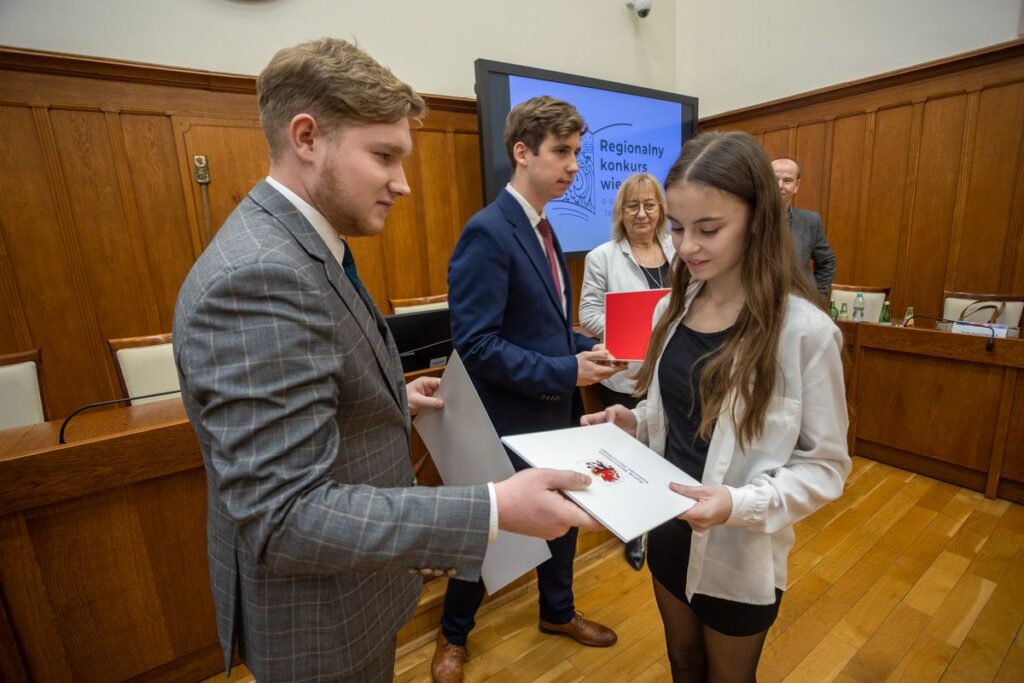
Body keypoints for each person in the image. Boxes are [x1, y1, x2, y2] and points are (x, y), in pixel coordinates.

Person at [173, 38, 602, 683]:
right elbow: (286, 516)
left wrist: (392, 397)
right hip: (319, 617)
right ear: (307, 137)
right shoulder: (260, 275)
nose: (403, 183)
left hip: (356, 593)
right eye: (384, 156)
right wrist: (490, 508)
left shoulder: (306, 247)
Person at [583, 132, 850, 681]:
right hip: (668, 528)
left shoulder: (804, 333)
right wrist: (630, 422)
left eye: (708, 230)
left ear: (758, 219)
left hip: (738, 548)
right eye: (677, 228)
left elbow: (826, 468)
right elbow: (674, 416)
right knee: (683, 664)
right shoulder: (671, 311)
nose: (687, 247)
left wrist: (734, 505)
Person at [434, 96, 622, 682]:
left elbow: (537, 324)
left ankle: (557, 612)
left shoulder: (544, 225)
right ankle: (452, 636)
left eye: (577, 153)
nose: (573, 166)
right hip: (504, 419)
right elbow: (478, 345)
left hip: (554, 410)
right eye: (561, 152)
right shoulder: (488, 232)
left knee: (562, 514)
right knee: (485, 531)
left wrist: (577, 347)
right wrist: (567, 370)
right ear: (522, 152)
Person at [578, 172, 674, 571]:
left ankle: (664, 518)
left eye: (649, 205)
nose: (641, 213)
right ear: (621, 211)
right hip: (626, 370)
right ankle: (634, 531)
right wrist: (624, 327)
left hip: (670, 366)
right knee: (628, 455)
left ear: (660, 210)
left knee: (666, 447)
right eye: (633, 206)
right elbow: (587, 313)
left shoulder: (679, 250)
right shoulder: (601, 256)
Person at [771, 157, 836, 299]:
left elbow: (826, 262)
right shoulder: (749, 219)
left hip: (801, 304)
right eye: (774, 179)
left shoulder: (811, 221)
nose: (780, 185)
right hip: (759, 306)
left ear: (796, 186)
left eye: (787, 180)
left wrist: (818, 297)